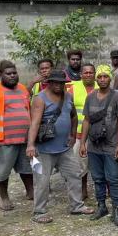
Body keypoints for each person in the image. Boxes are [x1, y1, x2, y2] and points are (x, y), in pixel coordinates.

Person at [26, 70, 94, 223]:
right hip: (44, 149)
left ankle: (77, 206)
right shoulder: (40, 99)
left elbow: (74, 116)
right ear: (49, 82)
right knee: (42, 181)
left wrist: (71, 135)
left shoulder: (67, 96)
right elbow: (35, 123)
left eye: (61, 83)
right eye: (55, 82)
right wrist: (30, 145)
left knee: (74, 174)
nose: (58, 85)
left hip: (64, 148)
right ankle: (39, 212)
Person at [78, 65, 118, 226]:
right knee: (97, 178)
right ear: (96, 79)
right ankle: (101, 206)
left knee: (113, 178)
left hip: (111, 145)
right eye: (100, 77)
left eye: (105, 76)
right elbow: (86, 120)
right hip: (94, 145)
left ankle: (117, 209)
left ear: (110, 78)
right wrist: (83, 143)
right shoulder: (90, 97)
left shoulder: (117, 97)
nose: (102, 79)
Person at [0, 60, 34, 211]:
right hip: (4, 141)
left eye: (14, 73)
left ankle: (31, 192)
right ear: (1, 75)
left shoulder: (23, 89)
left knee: (27, 168)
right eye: (8, 74)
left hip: (24, 139)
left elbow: (28, 110)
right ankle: (4, 198)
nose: (12, 76)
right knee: (2, 172)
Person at [69, 63, 99, 200]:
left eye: (91, 72)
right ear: (81, 74)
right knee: (80, 164)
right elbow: (67, 110)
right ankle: (83, 189)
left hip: (99, 134)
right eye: (85, 72)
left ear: (95, 74)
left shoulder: (101, 87)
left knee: (101, 163)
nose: (88, 75)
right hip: (79, 134)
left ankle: (108, 190)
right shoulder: (73, 88)